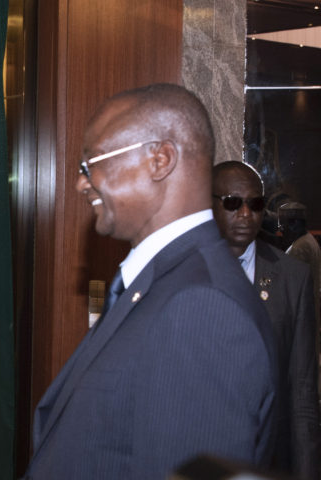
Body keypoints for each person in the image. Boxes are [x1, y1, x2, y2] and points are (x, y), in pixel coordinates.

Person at [23, 84, 278, 479]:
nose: (81, 183)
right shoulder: (162, 281)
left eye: (91, 165)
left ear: (160, 159)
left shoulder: (202, 307)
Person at [211, 160, 319, 480]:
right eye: (233, 203)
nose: (246, 214)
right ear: (208, 206)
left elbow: (302, 395)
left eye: (255, 204)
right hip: (197, 458)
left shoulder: (291, 278)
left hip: (268, 461)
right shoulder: (183, 272)